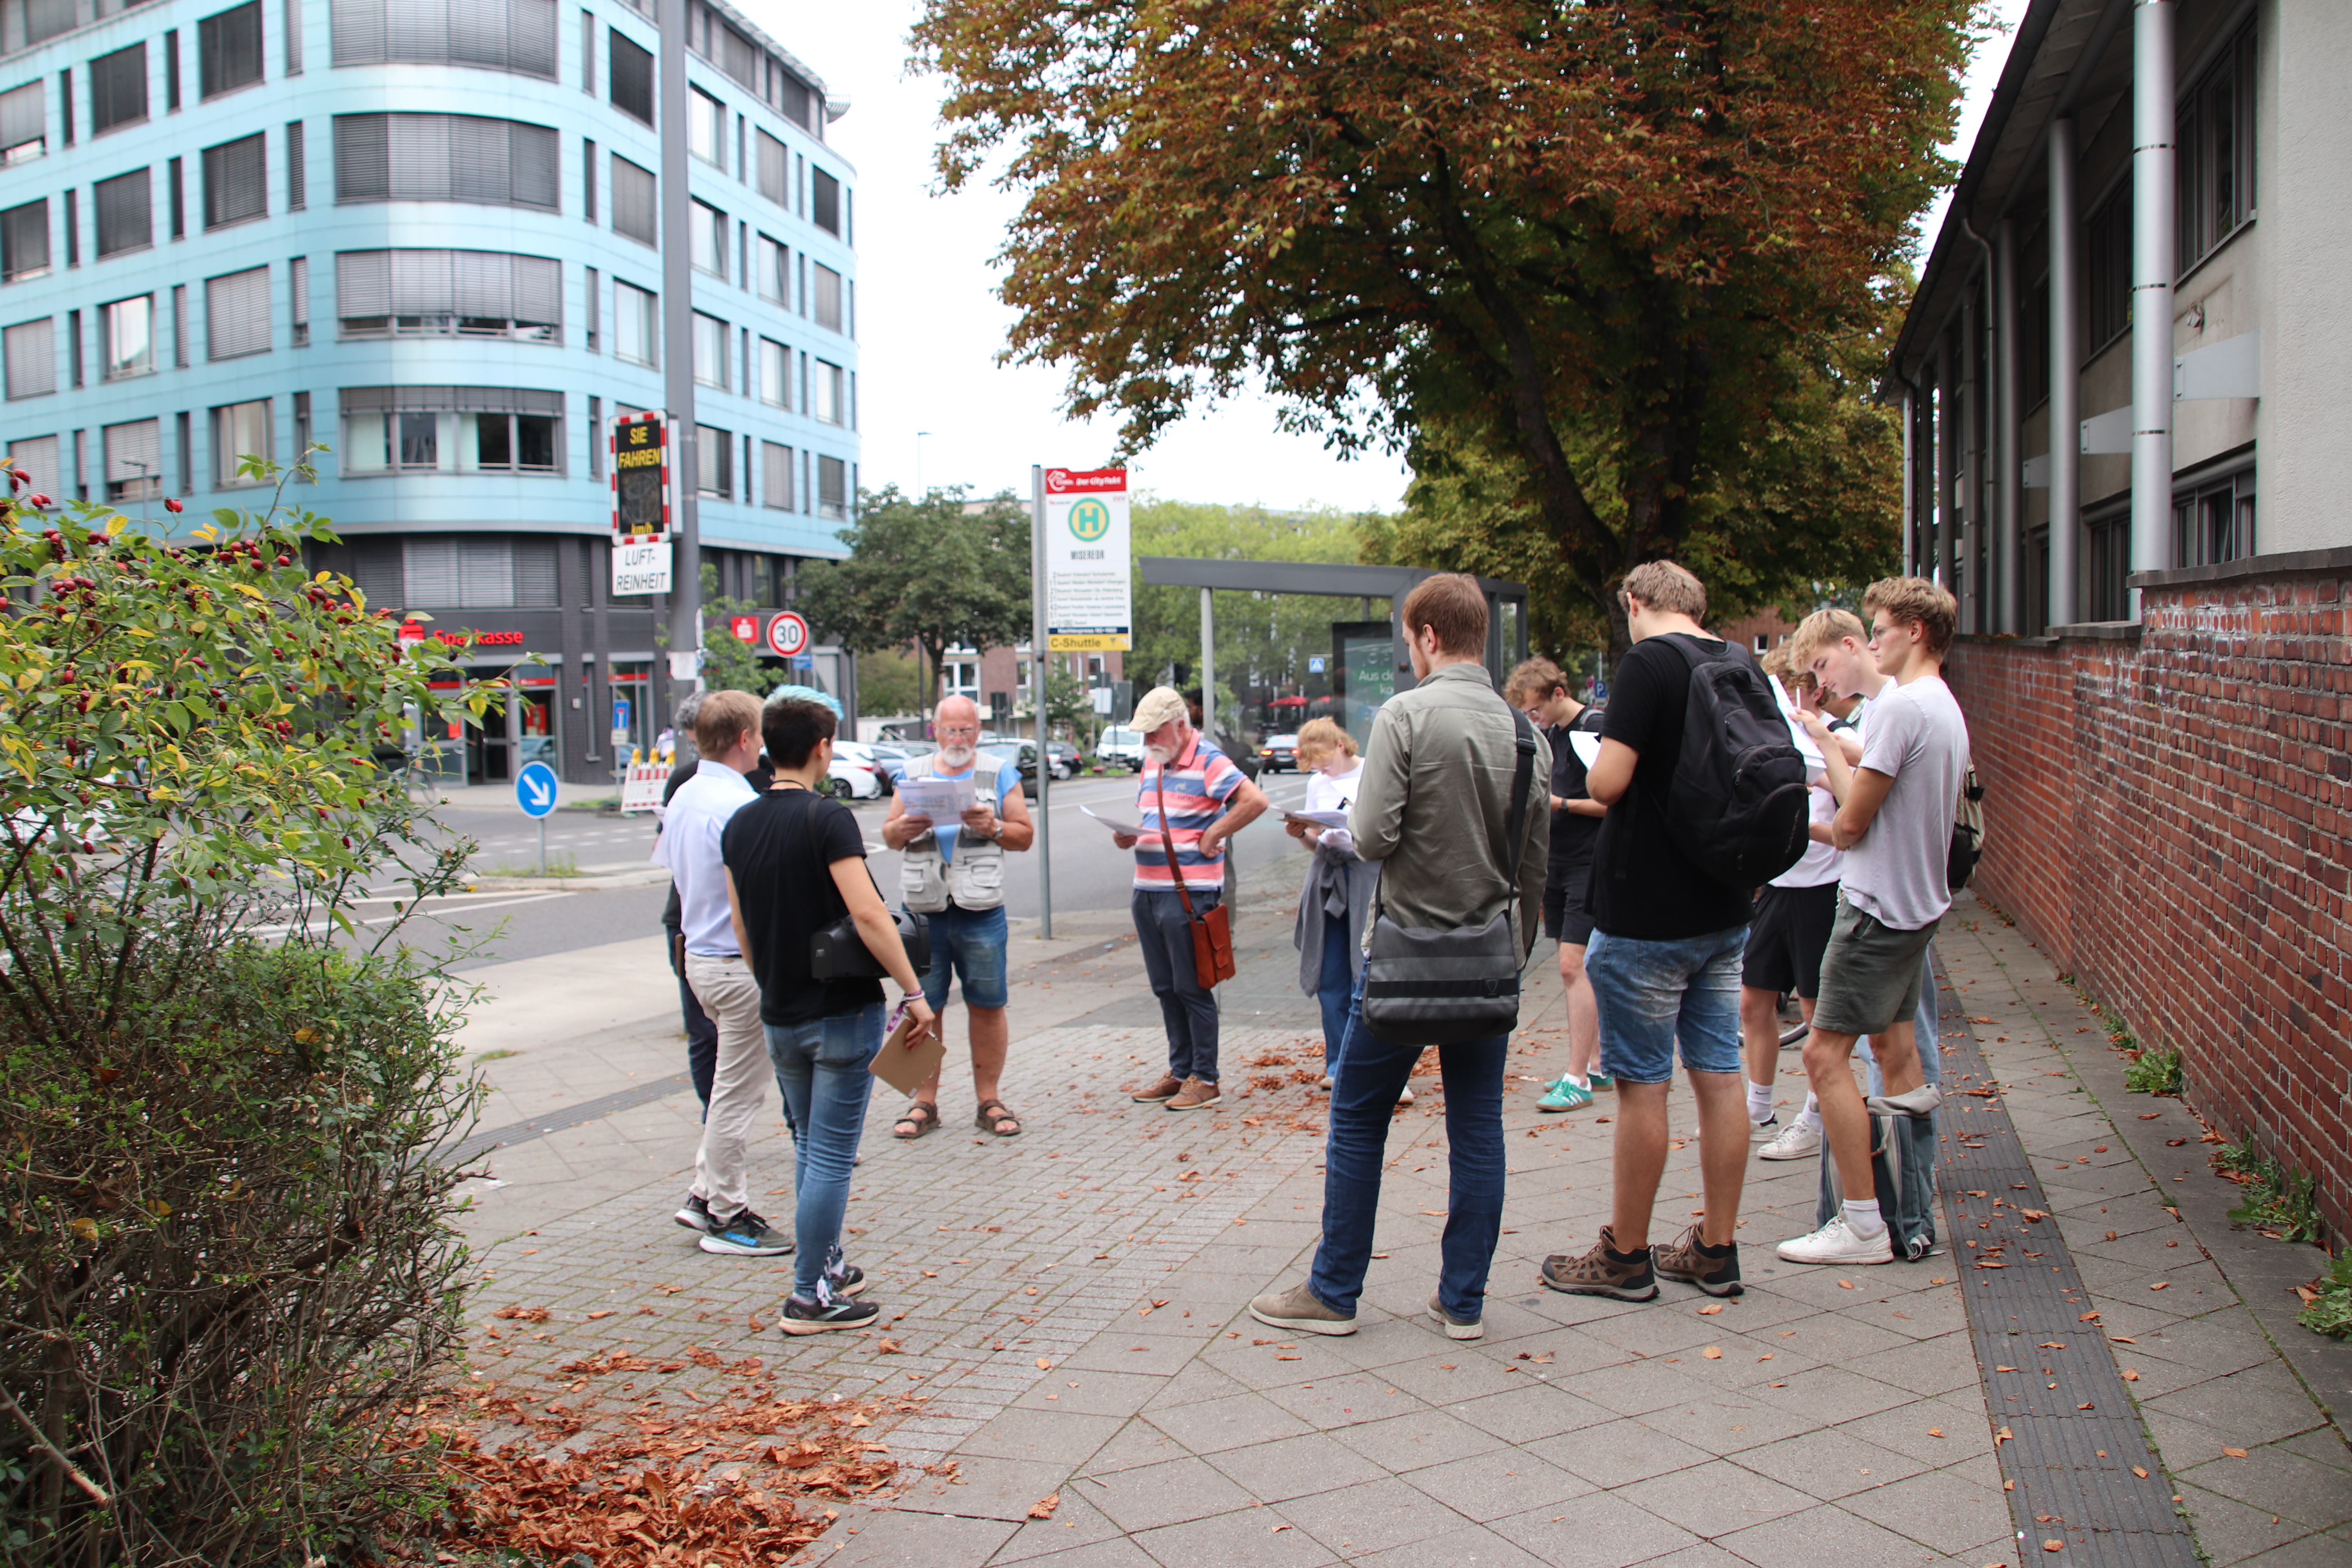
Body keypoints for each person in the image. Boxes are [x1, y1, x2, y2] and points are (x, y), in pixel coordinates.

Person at [1249, 573, 1549, 1343]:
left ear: (1425, 636)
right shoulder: (1525, 732)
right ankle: (1464, 1300)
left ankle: (1335, 1290)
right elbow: (1535, 862)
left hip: (1406, 954)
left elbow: (1375, 836)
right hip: (1485, 956)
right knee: (1478, 1124)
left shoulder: (1407, 715)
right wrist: (1512, 954)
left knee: (1357, 1115)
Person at [1541, 561, 1755, 1303]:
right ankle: (1716, 1249)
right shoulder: (1739, 662)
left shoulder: (1648, 665)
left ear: (1635, 601)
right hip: (1726, 904)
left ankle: (1626, 1257)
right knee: (1721, 1077)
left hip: (1647, 910)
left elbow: (1607, 785)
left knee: (1642, 1088)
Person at [723, 686, 936, 1332]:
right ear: (822, 749)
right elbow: (870, 914)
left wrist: (772, 987)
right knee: (832, 1156)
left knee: (809, 1146)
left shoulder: (741, 823)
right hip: (840, 1011)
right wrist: (915, 992)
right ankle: (809, 1295)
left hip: (780, 1012)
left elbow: (741, 927)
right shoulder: (828, 819)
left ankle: (829, 1263)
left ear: (767, 745)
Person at [1777, 578, 1969, 1267]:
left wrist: (1801, 815)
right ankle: (1912, 1217)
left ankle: (1860, 1225)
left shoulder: (1897, 709)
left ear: (1915, 631)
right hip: (1915, 909)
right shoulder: (1941, 705)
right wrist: (1830, 740)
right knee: (1898, 1059)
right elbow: (1885, 778)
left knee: (1823, 1058)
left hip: (1873, 911)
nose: (1875, 638)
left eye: (1883, 628)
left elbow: (1852, 827)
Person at [648, 690, 789, 1256]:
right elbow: (754, 896)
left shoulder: (685, 796)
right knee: (737, 1093)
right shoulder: (738, 808)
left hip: (701, 958)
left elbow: (678, 877)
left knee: (732, 1084)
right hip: (736, 965)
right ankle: (727, 1214)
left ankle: (704, 1193)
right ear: (744, 740)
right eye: (759, 733)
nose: (764, 742)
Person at [878, 694, 1034, 1139]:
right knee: (923, 1007)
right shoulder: (912, 773)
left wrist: (996, 828)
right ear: (935, 730)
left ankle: (989, 1098)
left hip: (980, 909)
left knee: (988, 1003)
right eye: (950, 729)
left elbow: (1024, 835)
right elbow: (888, 835)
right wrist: (903, 829)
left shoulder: (998, 771)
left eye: (966, 730)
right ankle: (923, 1102)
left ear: (979, 731)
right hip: (924, 909)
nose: (958, 738)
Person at [1114, 686, 1270, 1111]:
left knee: (1193, 986)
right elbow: (1149, 817)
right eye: (1143, 735)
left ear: (1181, 725)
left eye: (1154, 732)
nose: (1148, 742)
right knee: (1165, 987)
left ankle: (1206, 1077)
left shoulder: (1208, 759)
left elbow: (1254, 800)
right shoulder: (1153, 762)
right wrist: (1125, 835)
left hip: (1188, 894)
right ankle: (1181, 1071)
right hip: (1147, 890)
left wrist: (1216, 832)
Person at [1742, 645, 1844, 1155]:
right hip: (1778, 887)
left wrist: (1801, 825)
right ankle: (1758, 1107)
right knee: (1753, 998)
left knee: (1814, 1011)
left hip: (1818, 892)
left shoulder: (1834, 743)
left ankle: (1817, 1115)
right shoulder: (1777, 743)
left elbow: (1850, 823)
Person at [1503, 656, 1611, 1113]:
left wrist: (1561, 803)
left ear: (1558, 694)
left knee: (1572, 966)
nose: (1534, 719)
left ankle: (1578, 1076)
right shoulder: (1548, 737)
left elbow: (1614, 800)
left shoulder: (1596, 727)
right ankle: (1598, 1062)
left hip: (1590, 861)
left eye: (1536, 710)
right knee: (1583, 968)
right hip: (1555, 861)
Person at [1286, 717, 1376, 1085]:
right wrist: (1302, 833)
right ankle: (1338, 1063)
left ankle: (1376, 1063)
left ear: (1341, 745)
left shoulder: (1372, 773)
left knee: (1366, 969)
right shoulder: (1317, 783)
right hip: (1328, 875)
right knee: (1331, 972)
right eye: (1315, 764)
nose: (1322, 769)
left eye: (1324, 760)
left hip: (1366, 874)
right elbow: (1316, 841)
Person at [660, 692, 720, 1111]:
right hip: (689, 919)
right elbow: (669, 850)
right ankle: (712, 1121)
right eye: (695, 739)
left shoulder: (759, 775)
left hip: (747, 922)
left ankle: (800, 1130)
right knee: (704, 1032)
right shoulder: (682, 781)